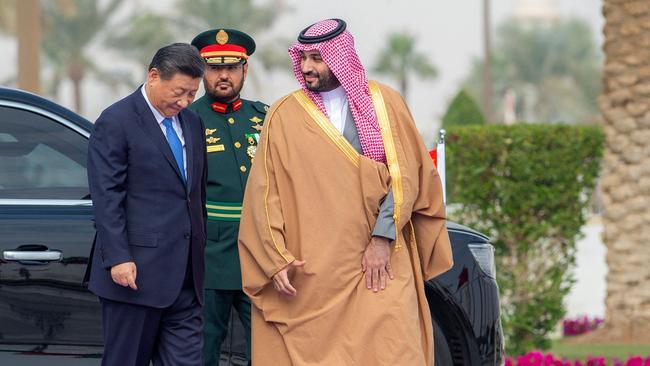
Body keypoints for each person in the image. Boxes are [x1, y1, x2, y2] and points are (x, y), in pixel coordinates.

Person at [237, 18, 454, 366]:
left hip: (380, 262)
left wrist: (382, 240)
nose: (306, 67)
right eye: (302, 57)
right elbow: (265, 193)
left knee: (394, 348)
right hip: (313, 272)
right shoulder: (284, 114)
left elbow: (406, 177)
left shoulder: (386, 104)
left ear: (341, 57)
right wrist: (274, 257)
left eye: (317, 58)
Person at [86, 43, 208, 366]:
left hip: (185, 279)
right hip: (134, 277)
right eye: (179, 92)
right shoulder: (116, 121)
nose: (184, 102)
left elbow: (195, 196)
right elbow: (107, 196)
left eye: (192, 95)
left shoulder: (193, 125)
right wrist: (119, 257)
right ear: (154, 76)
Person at [188, 28, 267, 365]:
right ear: (202, 71)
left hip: (260, 251)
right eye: (214, 67)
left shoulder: (264, 117)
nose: (223, 75)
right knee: (204, 346)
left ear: (244, 70)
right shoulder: (187, 119)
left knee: (266, 346)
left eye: (232, 67)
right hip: (209, 252)